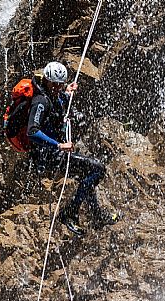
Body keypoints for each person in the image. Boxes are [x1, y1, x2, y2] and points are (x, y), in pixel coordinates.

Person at [27, 61, 119, 236]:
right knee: (98, 168)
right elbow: (32, 131)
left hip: (55, 153)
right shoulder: (40, 101)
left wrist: (67, 93)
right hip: (47, 156)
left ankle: (96, 215)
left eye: (60, 84)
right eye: (54, 84)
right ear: (46, 80)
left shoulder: (54, 95)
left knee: (88, 176)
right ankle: (71, 212)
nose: (57, 87)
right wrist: (59, 145)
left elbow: (58, 103)